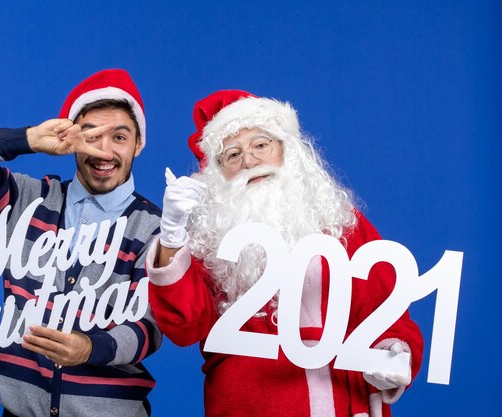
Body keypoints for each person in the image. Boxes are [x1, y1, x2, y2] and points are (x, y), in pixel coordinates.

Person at [146, 90, 424, 417]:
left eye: (261, 145)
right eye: (232, 155)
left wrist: (393, 353)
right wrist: (173, 233)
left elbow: (388, 311)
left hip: (346, 400)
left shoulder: (340, 220)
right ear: (218, 172)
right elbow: (184, 325)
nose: (249, 161)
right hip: (252, 404)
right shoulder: (211, 239)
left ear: (287, 149)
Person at [0, 69, 162, 417]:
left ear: (138, 144)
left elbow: (150, 327)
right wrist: (28, 139)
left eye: (119, 137)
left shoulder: (154, 228)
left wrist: (89, 348)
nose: (104, 151)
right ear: (71, 138)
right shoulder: (27, 201)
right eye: (91, 135)